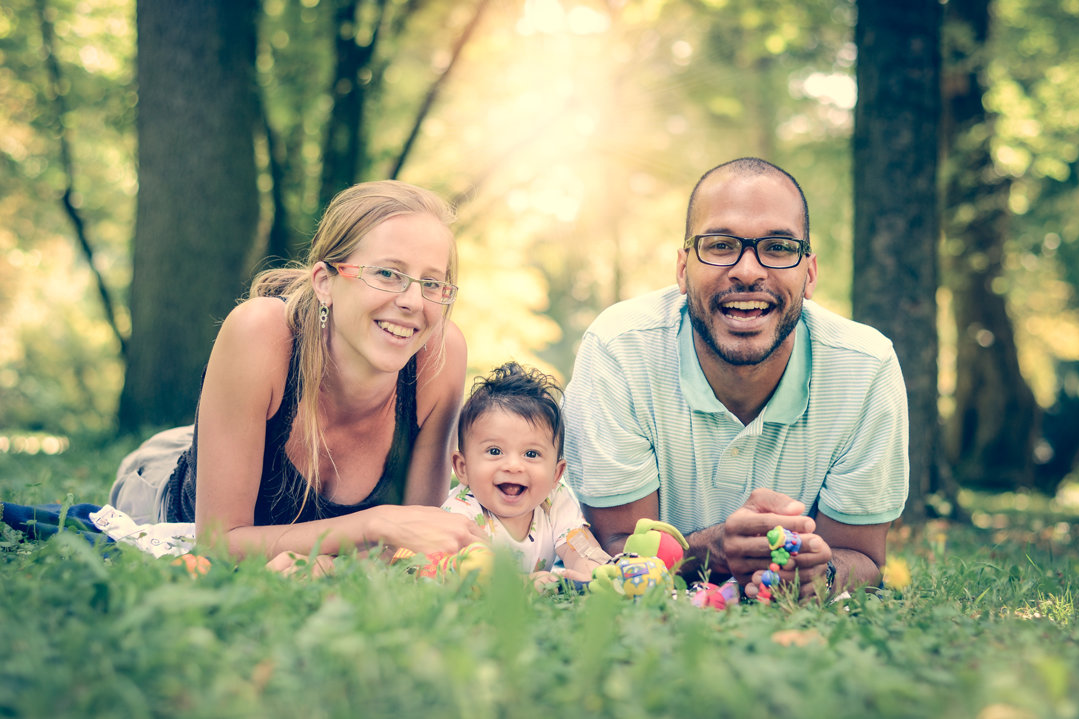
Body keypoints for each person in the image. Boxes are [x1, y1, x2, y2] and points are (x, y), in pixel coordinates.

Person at [562, 157, 909, 600]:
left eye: (779, 247)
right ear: (683, 269)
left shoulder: (866, 370)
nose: (748, 271)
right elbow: (615, 550)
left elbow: (861, 558)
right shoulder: (619, 350)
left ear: (811, 273)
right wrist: (713, 550)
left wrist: (817, 574)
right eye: (721, 244)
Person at [110, 180, 487, 561]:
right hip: (164, 494)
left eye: (432, 282)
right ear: (325, 282)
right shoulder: (259, 333)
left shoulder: (440, 355)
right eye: (387, 274)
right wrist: (374, 524)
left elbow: (413, 545)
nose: (412, 301)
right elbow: (218, 542)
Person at [441, 361, 611, 586]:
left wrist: (595, 572)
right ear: (462, 468)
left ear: (556, 474)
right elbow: (461, 573)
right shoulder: (461, 512)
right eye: (495, 451)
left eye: (531, 454)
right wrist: (523, 585)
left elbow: (579, 545)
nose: (513, 466)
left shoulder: (554, 500)